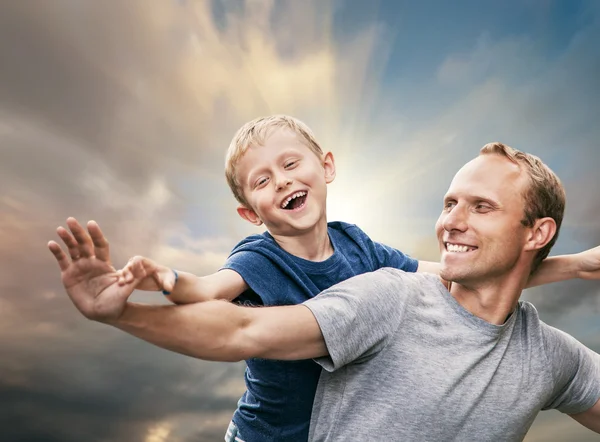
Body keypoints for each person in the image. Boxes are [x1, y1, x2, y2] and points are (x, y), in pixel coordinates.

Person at [49, 143, 600, 440]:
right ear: (249, 210)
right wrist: (127, 311)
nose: (452, 222)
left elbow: (468, 272)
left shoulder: (553, 359)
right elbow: (238, 325)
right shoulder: (381, 295)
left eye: (480, 207)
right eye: (449, 203)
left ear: (537, 233)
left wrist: (576, 265)